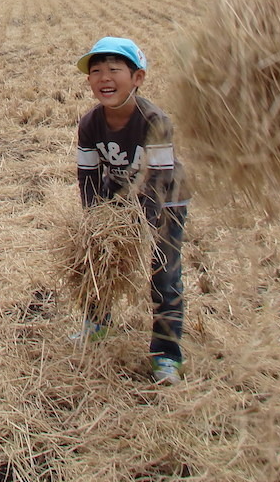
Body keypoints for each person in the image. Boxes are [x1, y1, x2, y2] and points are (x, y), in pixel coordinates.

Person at [72, 37, 188, 385]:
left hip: (166, 202)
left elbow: (159, 180)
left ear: (137, 78)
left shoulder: (155, 121)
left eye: (114, 70)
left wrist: (141, 228)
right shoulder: (90, 124)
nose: (104, 77)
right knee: (96, 259)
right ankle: (97, 322)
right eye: (96, 71)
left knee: (164, 273)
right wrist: (95, 224)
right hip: (118, 196)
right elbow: (88, 179)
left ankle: (167, 354)